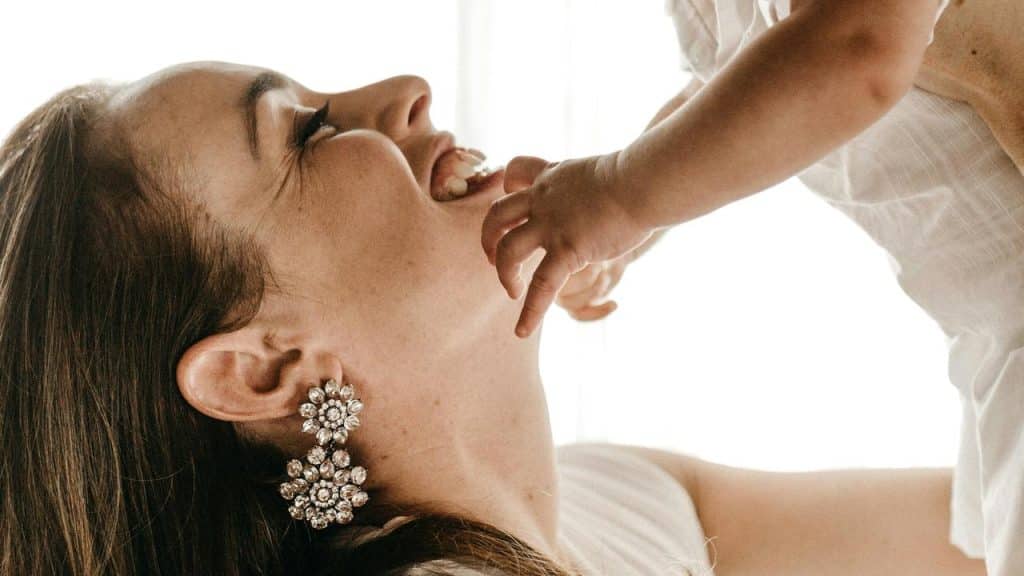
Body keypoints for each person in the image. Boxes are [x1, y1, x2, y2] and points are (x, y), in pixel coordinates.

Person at [0, 62, 986, 576]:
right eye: (306, 130)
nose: (401, 93)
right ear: (266, 372)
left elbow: (994, 537)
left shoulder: (611, 502)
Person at [481, 0, 1023, 575]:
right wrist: (626, 221)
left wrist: (618, 193)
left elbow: (858, 49)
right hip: (994, 334)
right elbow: (742, 76)